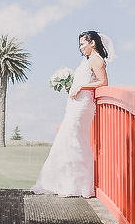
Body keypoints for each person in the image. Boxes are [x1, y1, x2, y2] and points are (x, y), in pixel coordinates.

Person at [32, 30, 112, 198]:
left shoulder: (97, 60)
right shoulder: (88, 60)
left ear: (93, 43)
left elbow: (103, 82)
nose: (81, 47)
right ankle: (67, 181)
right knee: (68, 138)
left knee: (76, 139)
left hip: (83, 105)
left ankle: (80, 185)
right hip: (75, 103)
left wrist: (82, 87)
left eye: (83, 43)